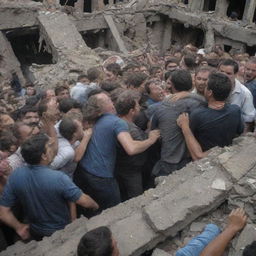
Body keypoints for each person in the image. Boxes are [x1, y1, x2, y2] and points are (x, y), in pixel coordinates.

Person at [0, 133, 99, 241]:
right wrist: (96, 206)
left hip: (36, 231)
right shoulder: (59, 178)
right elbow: (85, 202)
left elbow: (3, 212)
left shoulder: (16, 175)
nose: (53, 149)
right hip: (60, 231)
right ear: (44, 155)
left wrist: (19, 227)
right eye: (49, 147)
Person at [74, 92, 160, 214]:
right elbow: (131, 149)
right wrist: (151, 140)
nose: (113, 103)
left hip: (86, 170)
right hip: (101, 175)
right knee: (114, 211)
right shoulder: (117, 122)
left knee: (99, 207)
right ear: (103, 107)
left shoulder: (98, 119)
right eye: (109, 101)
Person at [177, 73, 244, 160]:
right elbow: (240, 131)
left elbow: (197, 155)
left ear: (209, 92)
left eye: (206, 86)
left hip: (206, 162)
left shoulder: (198, 115)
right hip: (225, 157)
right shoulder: (235, 110)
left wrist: (185, 127)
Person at [151, 69, 204, 177]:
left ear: (173, 86)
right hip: (195, 159)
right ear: (191, 85)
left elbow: (154, 129)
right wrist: (191, 95)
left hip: (169, 160)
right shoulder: (200, 104)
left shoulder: (161, 107)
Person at [115, 90, 148, 200]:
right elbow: (138, 146)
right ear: (131, 111)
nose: (140, 108)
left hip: (120, 167)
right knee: (136, 197)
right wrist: (151, 138)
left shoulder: (117, 121)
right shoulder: (130, 128)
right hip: (131, 170)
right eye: (137, 106)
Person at [218, 59, 255, 132]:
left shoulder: (245, 93)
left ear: (235, 74)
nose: (224, 76)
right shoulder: (209, 86)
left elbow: (248, 120)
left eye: (228, 73)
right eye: (221, 72)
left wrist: (240, 139)